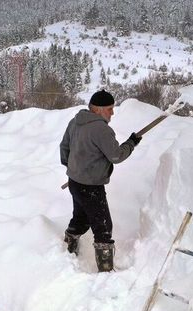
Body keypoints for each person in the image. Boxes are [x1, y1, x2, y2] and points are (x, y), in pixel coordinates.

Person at [60, 89, 141, 272]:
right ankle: (105, 270)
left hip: (75, 182)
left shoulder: (75, 122)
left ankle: (69, 250)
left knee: (81, 218)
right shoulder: (101, 129)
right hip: (91, 187)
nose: (112, 113)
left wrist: (74, 169)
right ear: (97, 109)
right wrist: (131, 143)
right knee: (103, 227)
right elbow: (116, 156)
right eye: (109, 109)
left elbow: (64, 148)